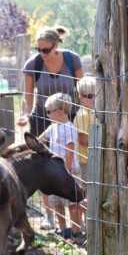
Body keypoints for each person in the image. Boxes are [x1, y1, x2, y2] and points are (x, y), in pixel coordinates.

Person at [17, 27, 84, 136]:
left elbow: (82, 90)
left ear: (56, 46)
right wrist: (25, 115)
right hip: (43, 120)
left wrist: (86, 112)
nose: (42, 54)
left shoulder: (72, 59)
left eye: (46, 50)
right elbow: (28, 97)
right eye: (38, 50)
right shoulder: (33, 64)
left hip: (70, 118)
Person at [40, 93, 83, 240]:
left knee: (72, 203)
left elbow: (69, 150)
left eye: (48, 111)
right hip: (55, 173)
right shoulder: (53, 127)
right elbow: (40, 140)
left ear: (59, 110)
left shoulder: (69, 128)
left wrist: (66, 169)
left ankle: (76, 230)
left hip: (69, 172)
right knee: (56, 202)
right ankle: (63, 229)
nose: (47, 115)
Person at [74, 76, 96, 181]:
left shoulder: (94, 112)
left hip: (94, 158)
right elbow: (82, 139)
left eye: (95, 95)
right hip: (86, 160)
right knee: (88, 188)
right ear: (80, 96)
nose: (93, 99)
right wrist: (99, 141)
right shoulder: (82, 115)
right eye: (89, 96)